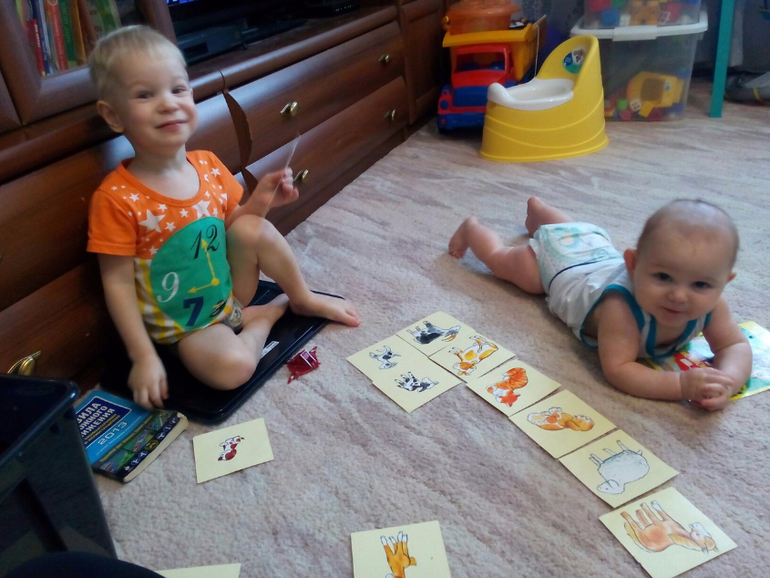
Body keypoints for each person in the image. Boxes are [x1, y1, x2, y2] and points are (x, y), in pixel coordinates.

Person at [87, 25, 360, 410]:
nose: (168, 104)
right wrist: (143, 356)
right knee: (233, 369)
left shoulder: (208, 165)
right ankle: (262, 318)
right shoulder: (115, 199)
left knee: (252, 226)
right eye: (145, 95)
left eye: (178, 89)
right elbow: (116, 284)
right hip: (188, 328)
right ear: (114, 116)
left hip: (229, 292)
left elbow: (236, 228)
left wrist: (262, 200)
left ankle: (300, 298)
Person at [449, 197, 752, 411]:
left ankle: (538, 212)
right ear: (633, 265)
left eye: (700, 285)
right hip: (558, 267)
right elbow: (619, 369)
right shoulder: (622, 309)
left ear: (724, 282)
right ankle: (472, 229)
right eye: (663, 277)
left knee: (571, 230)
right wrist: (681, 385)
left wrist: (728, 381)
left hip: (593, 248)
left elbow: (734, 345)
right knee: (506, 263)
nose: (680, 296)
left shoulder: (714, 305)